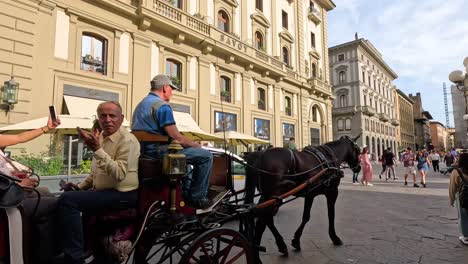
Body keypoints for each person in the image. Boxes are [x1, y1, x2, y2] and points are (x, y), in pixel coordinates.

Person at [57, 101, 140, 264]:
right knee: (68, 196)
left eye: (112, 116)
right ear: (99, 119)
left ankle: (74, 257)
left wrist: (97, 150)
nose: (107, 120)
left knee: (68, 202)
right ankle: (87, 249)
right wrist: (79, 187)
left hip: (123, 194)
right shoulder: (101, 137)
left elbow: (119, 174)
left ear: (121, 119)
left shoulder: (128, 140)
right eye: (103, 116)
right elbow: (97, 173)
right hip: (105, 192)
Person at [132, 75, 213, 209]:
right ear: (165, 87)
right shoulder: (162, 106)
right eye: (171, 88)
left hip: (143, 153)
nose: (172, 92)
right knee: (206, 157)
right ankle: (197, 197)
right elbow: (177, 137)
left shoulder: (141, 104)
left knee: (185, 158)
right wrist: (198, 146)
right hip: (159, 153)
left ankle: (184, 193)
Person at [449, 153, 468, 245]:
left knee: (463, 216)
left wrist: (451, 199)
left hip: (462, 197)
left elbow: (452, 187)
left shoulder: (456, 172)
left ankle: (465, 236)